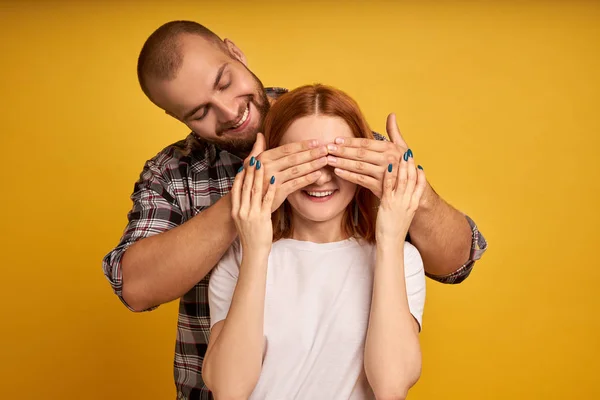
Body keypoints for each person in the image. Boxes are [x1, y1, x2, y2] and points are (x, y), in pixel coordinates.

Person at [102, 20, 487, 399]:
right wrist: (245, 200)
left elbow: (457, 262)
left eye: (224, 82)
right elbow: (135, 288)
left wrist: (412, 194)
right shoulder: (174, 173)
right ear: (176, 118)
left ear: (235, 52)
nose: (228, 111)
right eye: (199, 112)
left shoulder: (329, 124)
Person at [203, 84, 426, 400]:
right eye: (303, 162)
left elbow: (392, 386)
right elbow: (228, 389)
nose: (322, 178)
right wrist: (255, 248)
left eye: (336, 158)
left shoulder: (402, 260)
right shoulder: (238, 259)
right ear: (273, 164)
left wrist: (389, 237)